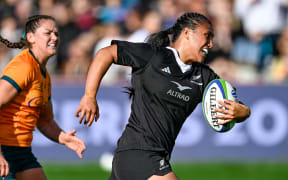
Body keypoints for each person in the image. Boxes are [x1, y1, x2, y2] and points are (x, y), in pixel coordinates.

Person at [75, 12, 251, 180]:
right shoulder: (153, 55)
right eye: (207, 36)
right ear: (187, 33)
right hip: (137, 154)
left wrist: (243, 112)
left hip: (155, 157)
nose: (211, 44)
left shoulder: (204, 76)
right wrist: (89, 96)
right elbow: (106, 53)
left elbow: (235, 106)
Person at [0, 15, 86, 180]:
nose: (54, 37)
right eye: (48, 33)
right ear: (31, 37)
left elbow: (45, 122)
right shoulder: (23, 66)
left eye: (56, 33)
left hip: (22, 152)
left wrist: (63, 138)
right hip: (4, 149)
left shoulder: (44, 75)